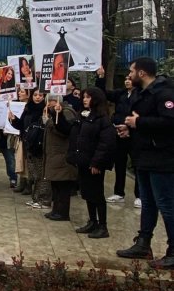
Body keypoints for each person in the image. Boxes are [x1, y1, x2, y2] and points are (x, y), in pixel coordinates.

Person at [116, 56, 174, 268]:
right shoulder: (142, 94)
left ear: (142, 73)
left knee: (166, 204)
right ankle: (143, 244)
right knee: (148, 203)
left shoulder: (165, 93)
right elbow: (145, 124)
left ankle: (173, 250)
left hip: (162, 158)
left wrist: (138, 122)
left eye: (132, 71)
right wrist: (130, 128)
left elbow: (169, 122)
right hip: (143, 156)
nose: (129, 75)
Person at [67, 88, 117, 238]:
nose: (84, 99)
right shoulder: (82, 116)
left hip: (94, 163)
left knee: (97, 194)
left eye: (88, 97)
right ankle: (92, 221)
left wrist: (96, 163)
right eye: (84, 97)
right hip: (83, 161)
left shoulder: (102, 119)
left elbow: (105, 143)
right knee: (87, 193)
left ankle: (103, 226)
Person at [95, 67, 139, 205]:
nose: (127, 81)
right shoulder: (121, 94)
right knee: (119, 164)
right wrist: (101, 77)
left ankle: (140, 195)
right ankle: (119, 192)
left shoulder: (141, 94)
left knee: (137, 164)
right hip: (118, 133)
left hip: (134, 134)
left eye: (130, 79)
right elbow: (102, 94)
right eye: (126, 79)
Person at [9, 90, 51, 207]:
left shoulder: (46, 110)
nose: (37, 97)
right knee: (34, 174)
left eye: (40, 95)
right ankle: (36, 198)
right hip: (29, 144)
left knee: (41, 174)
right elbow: (21, 125)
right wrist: (13, 119)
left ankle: (44, 199)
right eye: (35, 95)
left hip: (40, 145)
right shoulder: (28, 108)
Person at [42, 96, 77, 221]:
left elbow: (64, 131)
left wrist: (51, 119)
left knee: (63, 186)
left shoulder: (66, 112)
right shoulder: (53, 113)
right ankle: (56, 210)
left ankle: (62, 212)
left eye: (51, 101)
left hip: (62, 154)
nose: (49, 104)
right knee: (56, 185)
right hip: (54, 155)